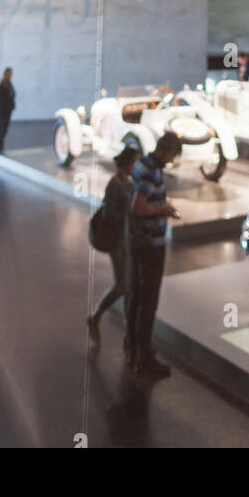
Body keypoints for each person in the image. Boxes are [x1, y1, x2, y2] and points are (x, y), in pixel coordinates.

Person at [125, 131, 182, 377]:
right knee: (148, 299)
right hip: (150, 243)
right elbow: (139, 206)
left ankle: (133, 346)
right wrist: (164, 209)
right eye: (173, 156)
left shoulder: (141, 164)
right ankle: (144, 356)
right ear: (168, 151)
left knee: (137, 294)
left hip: (139, 241)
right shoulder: (151, 170)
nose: (172, 160)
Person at [88, 145, 139, 349]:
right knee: (123, 284)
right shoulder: (116, 185)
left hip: (125, 240)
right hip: (118, 242)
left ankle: (128, 326)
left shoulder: (127, 182)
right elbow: (110, 214)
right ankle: (96, 316)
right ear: (128, 163)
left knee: (128, 284)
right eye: (135, 161)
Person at [0, 68, 16, 153]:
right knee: (0, 130)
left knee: (4, 130)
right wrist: (3, 106)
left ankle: (0, 148)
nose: (11, 75)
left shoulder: (10, 84)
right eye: (9, 73)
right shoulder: (1, 84)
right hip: (2, 112)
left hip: (8, 111)